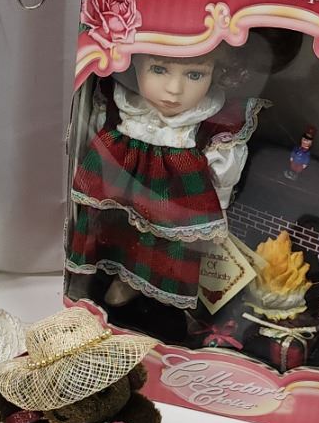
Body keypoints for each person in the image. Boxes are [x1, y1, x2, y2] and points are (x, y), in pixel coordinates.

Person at [66, 50, 263, 309]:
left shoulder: (213, 122)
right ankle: (87, 271)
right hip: (118, 190)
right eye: (159, 69)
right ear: (135, 64)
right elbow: (92, 137)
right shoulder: (121, 102)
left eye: (195, 75)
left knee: (158, 246)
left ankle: (131, 282)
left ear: (216, 72)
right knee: (107, 228)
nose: (174, 89)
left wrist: (220, 209)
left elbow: (223, 174)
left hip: (171, 201)